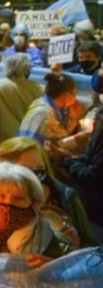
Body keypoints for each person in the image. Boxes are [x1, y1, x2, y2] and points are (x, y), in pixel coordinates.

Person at [0, 137, 98, 247]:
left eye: (39, 169)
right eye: (26, 172)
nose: (36, 178)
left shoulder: (64, 198)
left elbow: (93, 247)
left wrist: (71, 250)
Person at [63, 77, 103, 226]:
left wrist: (67, 161)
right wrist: (74, 158)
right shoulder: (100, 117)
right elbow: (92, 156)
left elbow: (92, 176)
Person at [18, 74, 88, 154]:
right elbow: (48, 148)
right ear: (66, 94)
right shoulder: (43, 114)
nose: (75, 99)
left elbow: (58, 136)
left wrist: (73, 121)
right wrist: (77, 138)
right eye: (74, 94)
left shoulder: (53, 108)